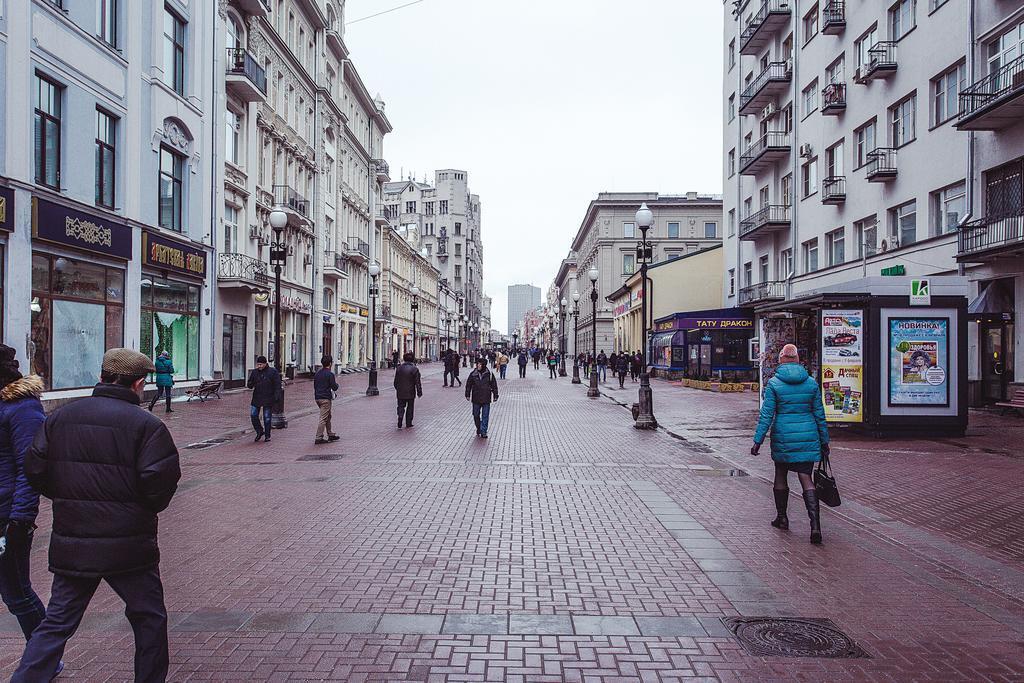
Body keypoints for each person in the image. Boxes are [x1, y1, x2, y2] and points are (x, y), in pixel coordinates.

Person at [14, 348, 180, 682]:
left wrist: (68, 495)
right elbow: (160, 484)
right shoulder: (147, 425)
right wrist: (137, 506)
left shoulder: (61, 418)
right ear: (138, 383)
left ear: (102, 377)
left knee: (58, 621)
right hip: (129, 545)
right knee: (149, 619)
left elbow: (34, 469)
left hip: (74, 540)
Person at [0, 345, 54, 672]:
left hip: (7, 516)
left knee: (16, 592)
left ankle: (45, 658)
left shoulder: (21, 408)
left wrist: (20, 521)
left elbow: (29, 468)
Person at [750, 344, 830, 545]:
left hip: (784, 435)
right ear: (797, 359)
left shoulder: (775, 384)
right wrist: (825, 440)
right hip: (807, 435)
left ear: (781, 360)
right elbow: (820, 415)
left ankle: (782, 518)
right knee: (806, 477)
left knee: (780, 474)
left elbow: (767, 415)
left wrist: (757, 441)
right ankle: (815, 526)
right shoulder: (811, 383)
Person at [247, 355, 281, 443]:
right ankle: (259, 430)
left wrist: (276, 396)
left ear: (265, 364)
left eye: (261, 364)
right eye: (258, 364)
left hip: (268, 397)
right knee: (253, 415)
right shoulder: (255, 372)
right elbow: (250, 384)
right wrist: (250, 383)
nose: (259, 366)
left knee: (267, 417)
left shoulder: (272, 372)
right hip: (257, 397)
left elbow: (277, 385)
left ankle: (267, 435)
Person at [465, 357, 499, 438]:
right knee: (475, 414)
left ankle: (483, 431)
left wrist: (495, 395)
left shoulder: (489, 374)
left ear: (483, 365)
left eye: (479, 364)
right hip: (476, 398)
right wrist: (467, 394)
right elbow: (468, 384)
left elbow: (494, 385)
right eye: (477, 364)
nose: (478, 365)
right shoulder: (473, 374)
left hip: (486, 397)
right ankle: (479, 427)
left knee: (485, 416)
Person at [313, 355, 340, 445]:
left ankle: (330, 433)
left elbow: (315, 386)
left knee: (328, 416)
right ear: (330, 363)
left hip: (318, 398)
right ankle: (319, 437)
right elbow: (334, 387)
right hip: (325, 398)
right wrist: (337, 385)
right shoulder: (330, 374)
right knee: (323, 418)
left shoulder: (317, 374)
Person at [394, 352, 422, 429]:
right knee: (410, 407)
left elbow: (395, 382)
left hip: (400, 392)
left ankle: (400, 416)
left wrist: (398, 388)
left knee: (400, 406)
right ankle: (408, 423)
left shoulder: (399, 368)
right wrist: (419, 392)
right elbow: (417, 382)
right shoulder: (414, 369)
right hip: (410, 392)